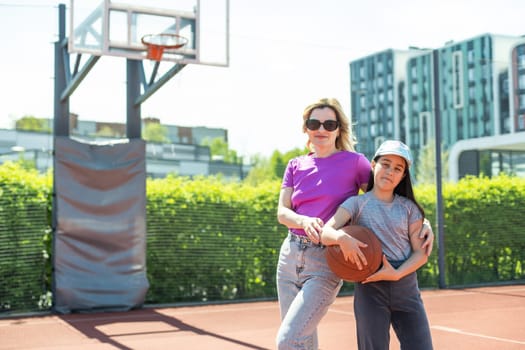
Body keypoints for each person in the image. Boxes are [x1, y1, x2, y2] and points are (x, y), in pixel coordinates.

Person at [275, 98, 434, 350]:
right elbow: (282, 213)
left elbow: (386, 191)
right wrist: (304, 221)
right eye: (314, 123)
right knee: (301, 338)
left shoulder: (355, 162)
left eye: (329, 124)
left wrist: (421, 221)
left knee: (288, 340)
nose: (321, 129)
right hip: (290, 256)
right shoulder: (295, 165)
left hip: (326, 257)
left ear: (339, 129)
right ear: (306, 127)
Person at [321, 140, 434, 350]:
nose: (390, 171)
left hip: (406, 286)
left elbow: (421, 253)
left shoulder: (409, 208)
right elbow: (326, 232)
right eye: (386, 163)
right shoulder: (356, 204)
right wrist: (341, 239)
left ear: (403, 176)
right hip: (370, 287)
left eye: (398, 168)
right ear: (373, 165)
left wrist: (397, 273)